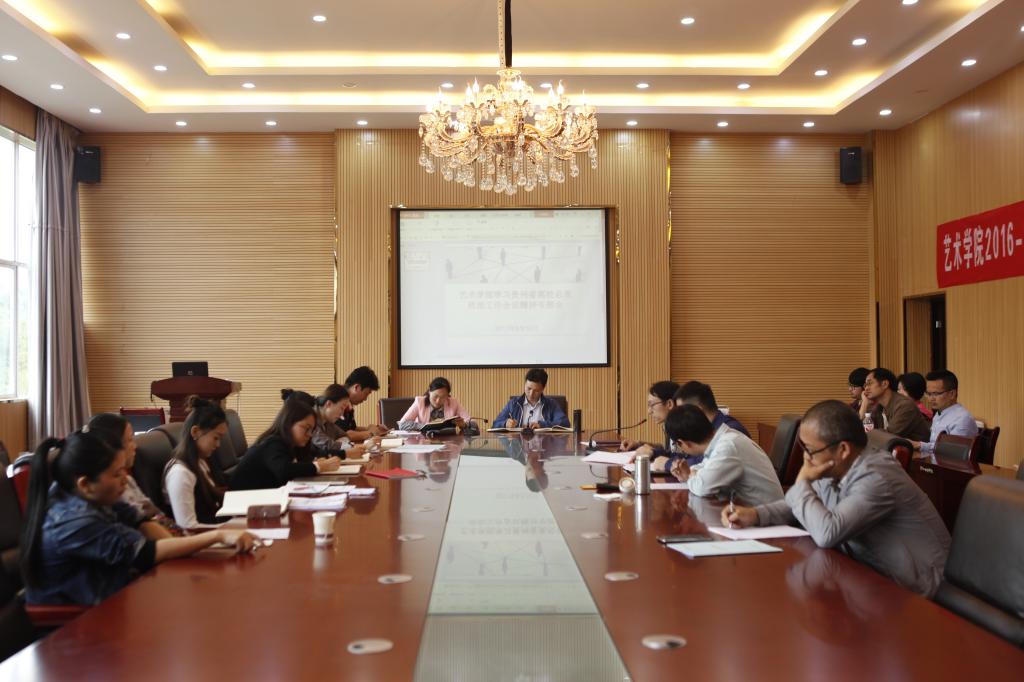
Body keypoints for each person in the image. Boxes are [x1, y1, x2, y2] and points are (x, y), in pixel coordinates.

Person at [723, 400, 950, 598]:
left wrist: (801, 483)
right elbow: (804, 504)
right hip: (867, 576)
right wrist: (755, 514)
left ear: (842, 449)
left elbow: (827, 533)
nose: (806, 459)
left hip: (914, 588)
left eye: (810, 450)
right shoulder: (839, 467)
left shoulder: (877, 477)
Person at [20, 430, 256, 605]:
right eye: (116, 474)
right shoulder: (73, 520)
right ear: (85, 484)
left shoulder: (89, 493)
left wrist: (177, 549)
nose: (125, 479)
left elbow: (140, 521)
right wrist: (218, 536)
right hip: (79, 619)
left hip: (116, 595)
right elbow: (144, 553)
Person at [663, 404, 783, 506]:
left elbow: (702, 487)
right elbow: (702, 470)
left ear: (683, 443)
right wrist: (691, 473)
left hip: (769, 519)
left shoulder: (728, 445)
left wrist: (688, 476)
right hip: (752, 514)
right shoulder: (721, 441)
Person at [85, 413, 176, 534]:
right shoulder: (107, 496)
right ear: (110, 446)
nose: (135, 446)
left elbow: (154, 513)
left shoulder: (129, 478)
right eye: (129, 440)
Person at [230, 395, 342, 490]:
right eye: (306, 428)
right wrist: (318, 466)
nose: (310, 434)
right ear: (288, 424)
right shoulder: (272, 443)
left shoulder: (293, 444)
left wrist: (316, 462)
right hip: (244, 501)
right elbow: (284, 470)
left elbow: (310, 456)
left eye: (311, 430)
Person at [162, 396, 229, 528]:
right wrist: (230, 529)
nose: (218, 445)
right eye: (216, 438)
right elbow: (188, 527)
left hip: (214, 530)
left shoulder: (200, 462)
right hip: (200, 538)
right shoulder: (180, 474)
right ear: (195, 432)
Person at [913, 370, 978, 457]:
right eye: (928, 394)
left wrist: (920, 445)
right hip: (936, 461)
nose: (931, 399)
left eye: (936, 394)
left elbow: (953, 450)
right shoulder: (939, 414)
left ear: (952, 394)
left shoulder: (962, 418)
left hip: (953, 464)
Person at [620, 381, 680, 472]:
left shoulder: (684, 427)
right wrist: (638, 444)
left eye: (652, 405)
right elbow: (669, 450)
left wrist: (654, 453)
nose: (649, 411)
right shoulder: (668, 425)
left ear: (669, 404)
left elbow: (686, 458)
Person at [859, 368, 931, 441]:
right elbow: (860, 430)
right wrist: (864, 403)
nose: (866, 388)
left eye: (869, 383)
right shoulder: (880, 407)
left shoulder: (904, 405)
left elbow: (890, 435)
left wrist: (868, 433)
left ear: (884, 384)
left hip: (915, 448)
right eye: (865, 385)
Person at [494, 368, 570, 428]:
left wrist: (542, 425)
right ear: (525, 384)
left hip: (545, 443)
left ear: (542, 389)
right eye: (529, 388)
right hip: (519, 443)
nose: (531, 394)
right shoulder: (513, 403)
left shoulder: (551, 404)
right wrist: (505, 423)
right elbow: (495, 424)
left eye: (536, 391)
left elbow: (565, 423)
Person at [673, 381, 750, 437]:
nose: (681, 416)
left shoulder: (730, 432)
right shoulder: (706, 428)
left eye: (682, 411)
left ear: (697, 409)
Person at [397, 377, 474, 432]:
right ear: (429, 391)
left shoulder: (453, 402)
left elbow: (473, 423)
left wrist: (464, 425)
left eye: (443, 397)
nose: (438, 401)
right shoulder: (420, 402)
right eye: (435, 396)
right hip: (423, 443)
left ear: (448, 396)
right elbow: (402, 424)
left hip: (448, 442)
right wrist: (424, 427)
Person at [311, 384, 368, 458]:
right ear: (329, 404)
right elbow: (326, 444)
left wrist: (347, 444)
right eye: (342, 408)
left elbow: (344, 435)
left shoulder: (327, 421)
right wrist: (361, 446)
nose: (342, 414)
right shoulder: (310, 417)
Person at [334, 366, 388, 441]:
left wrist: (370, 428)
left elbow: (352, 429)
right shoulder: (338, 400)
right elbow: (345, 435)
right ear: (357, 387)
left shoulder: (348, 403)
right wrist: (371, 433)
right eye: (366, 394)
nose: (365, 399)